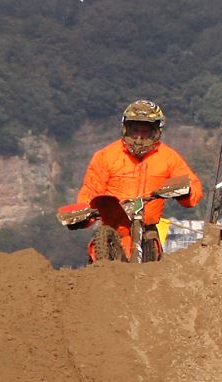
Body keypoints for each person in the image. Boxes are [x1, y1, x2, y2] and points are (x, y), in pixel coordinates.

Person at [76, 100, 202, 262]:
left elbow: (193, 186)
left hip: (147, 230)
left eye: (145, 132)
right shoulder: (105, 156)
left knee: (152, 276)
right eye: (135, 130)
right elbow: (90, 190)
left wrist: (185, 192)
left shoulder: (168, 157)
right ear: (126, 129)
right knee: (97, 268)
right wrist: (84, 214)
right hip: (111, 229)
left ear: (156, 133)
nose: (139, 138)